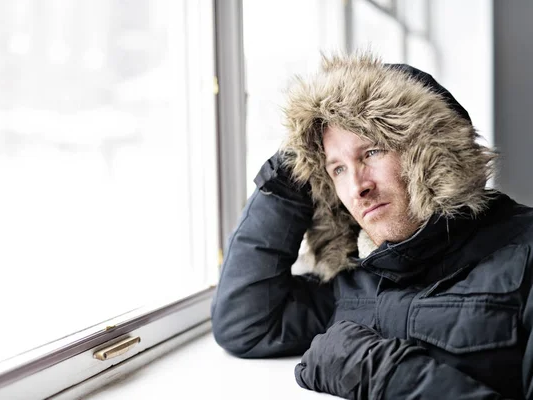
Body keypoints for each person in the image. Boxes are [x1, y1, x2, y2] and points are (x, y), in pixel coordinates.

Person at [210, 53, 533, 399]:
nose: (357, 187)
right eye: (337, 169)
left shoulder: (525, 253)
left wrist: (374, 371)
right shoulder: (352, 279)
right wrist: (290, 173)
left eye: (372, 152)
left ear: (431, 152)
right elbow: (245, 323)